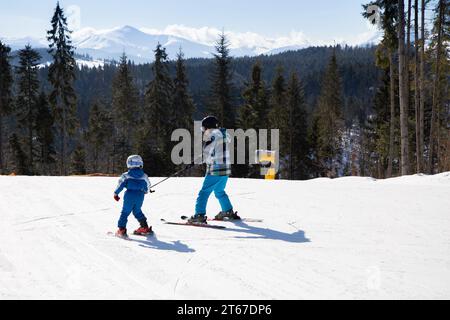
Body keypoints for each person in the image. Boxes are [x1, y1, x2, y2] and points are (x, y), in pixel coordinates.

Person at [188, 116, 240, 224]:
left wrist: (194, 162)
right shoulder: (224, 134)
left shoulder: (212, 135)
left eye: (204, 129)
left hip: (216, 169)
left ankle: (199, 215)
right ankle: (227, 211)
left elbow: (207, 152)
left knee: (204, 192)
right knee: (219, 191)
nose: (204, 132)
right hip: (225, 169)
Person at [114, 155, 152, 238]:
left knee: (125, 212)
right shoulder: (144, 176)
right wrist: (146, 191)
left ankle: (121, 229)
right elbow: (148, 185)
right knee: (137, 211)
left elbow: (120, 185)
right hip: (140, 196)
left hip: (129, 196)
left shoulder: (126, 175)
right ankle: (144, 227)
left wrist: (116, 193)